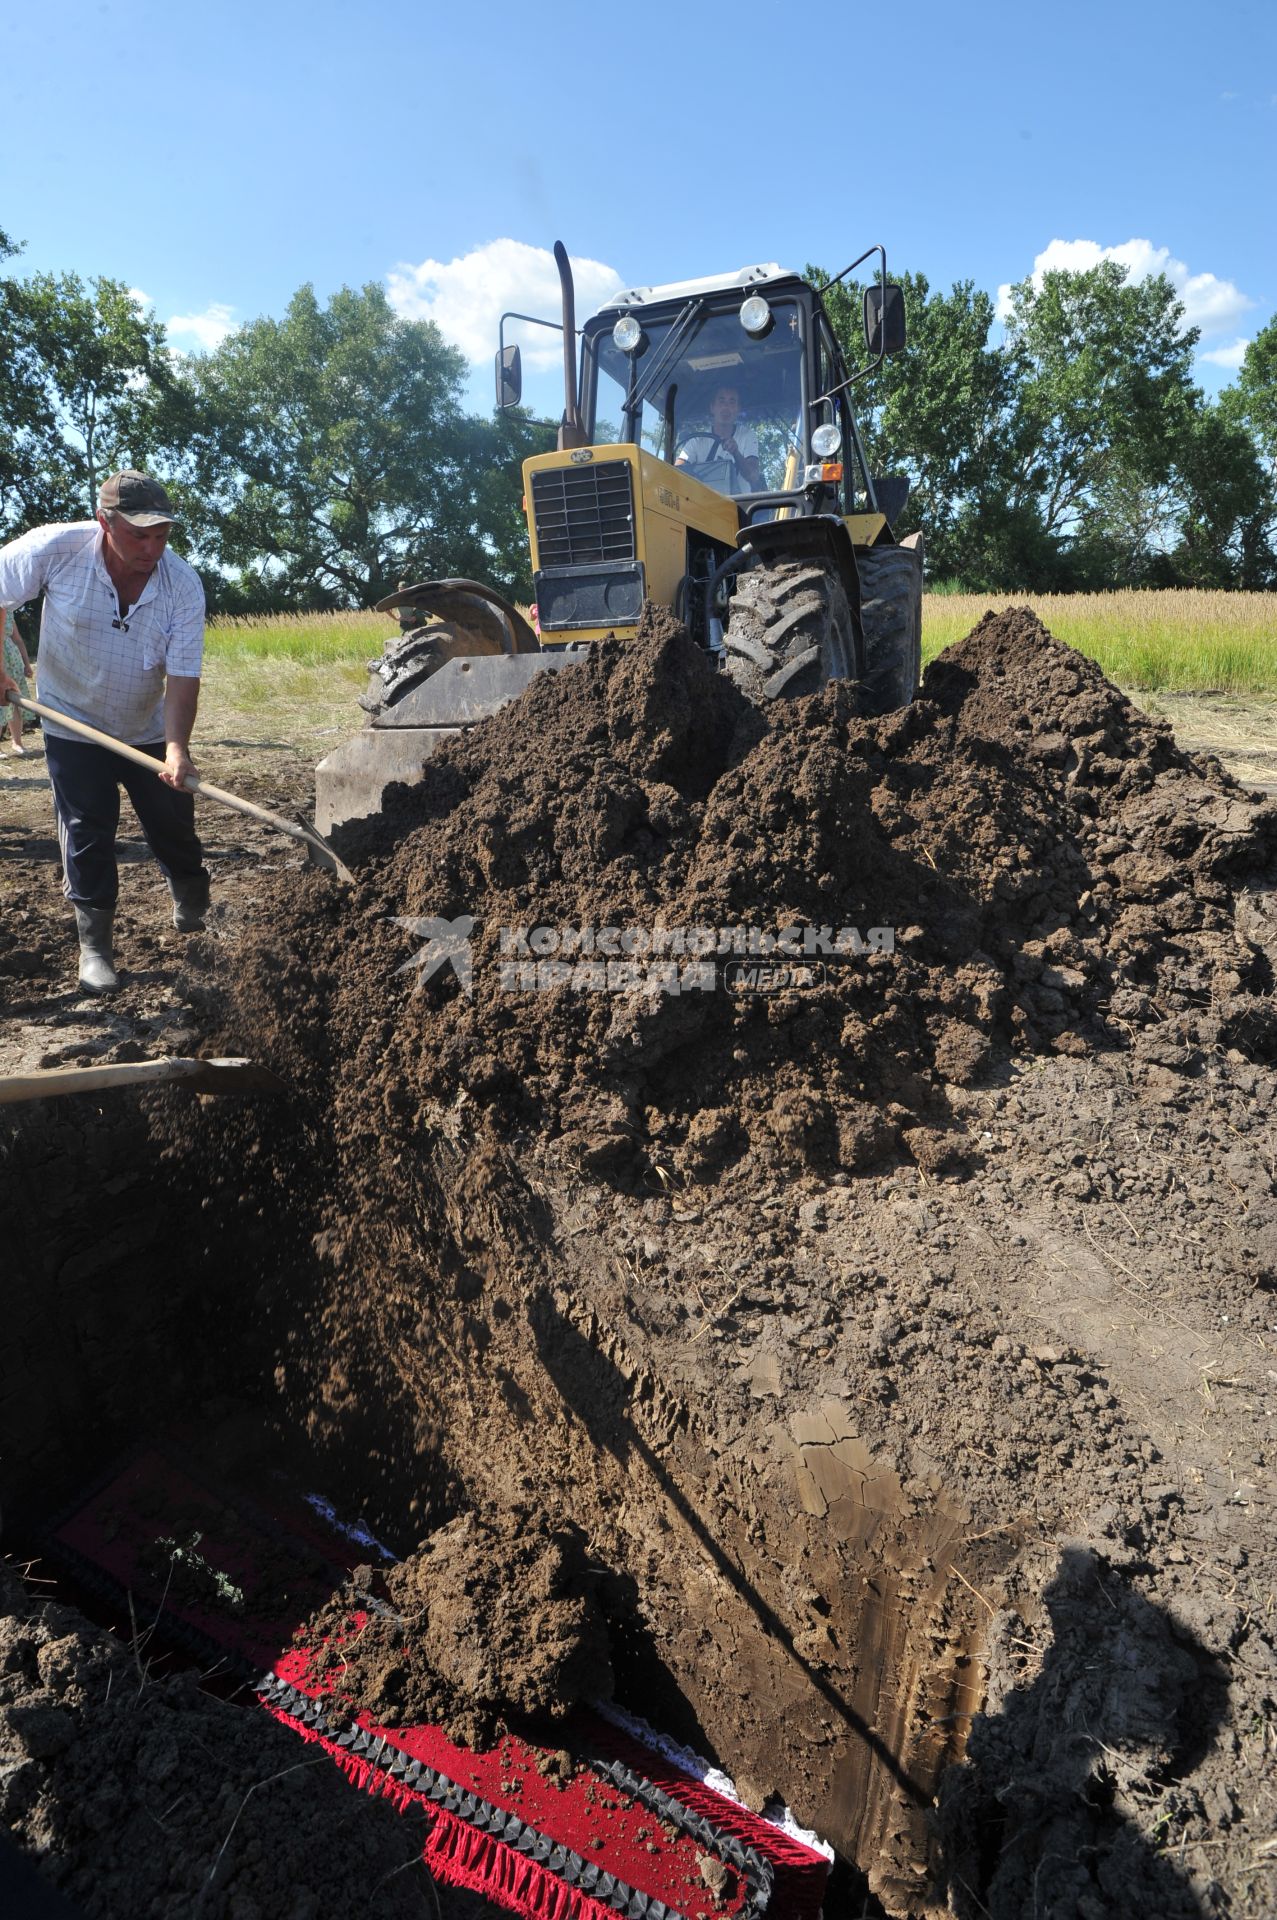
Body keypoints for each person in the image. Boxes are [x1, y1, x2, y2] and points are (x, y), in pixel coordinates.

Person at [0, 472, 209, 995]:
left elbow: (183, 677)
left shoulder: (181, 585)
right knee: (87, 826)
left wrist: (176, 749)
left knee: (172, 820)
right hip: (71, 720)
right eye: (139, 535)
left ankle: (190, 894)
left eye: (161, 535)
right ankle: (95, 948)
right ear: (104, 522)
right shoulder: (56, 549)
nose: (151, 547)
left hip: (144, 725)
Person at [674, 384, 763, 495]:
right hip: (701, 507)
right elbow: (676, 472)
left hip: (739, 506)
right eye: (721, 401)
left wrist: (736, 452)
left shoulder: (747, 435)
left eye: (732, 402)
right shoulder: (697, 440)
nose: (726, 407)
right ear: (712, 407)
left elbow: (753, 476)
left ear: (738, 409)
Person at [2, 608, 32, 754]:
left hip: (13, 663)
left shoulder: (7, 611)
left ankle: (17, 742)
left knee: (14, 703)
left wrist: (27, 664)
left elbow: (18, 639)